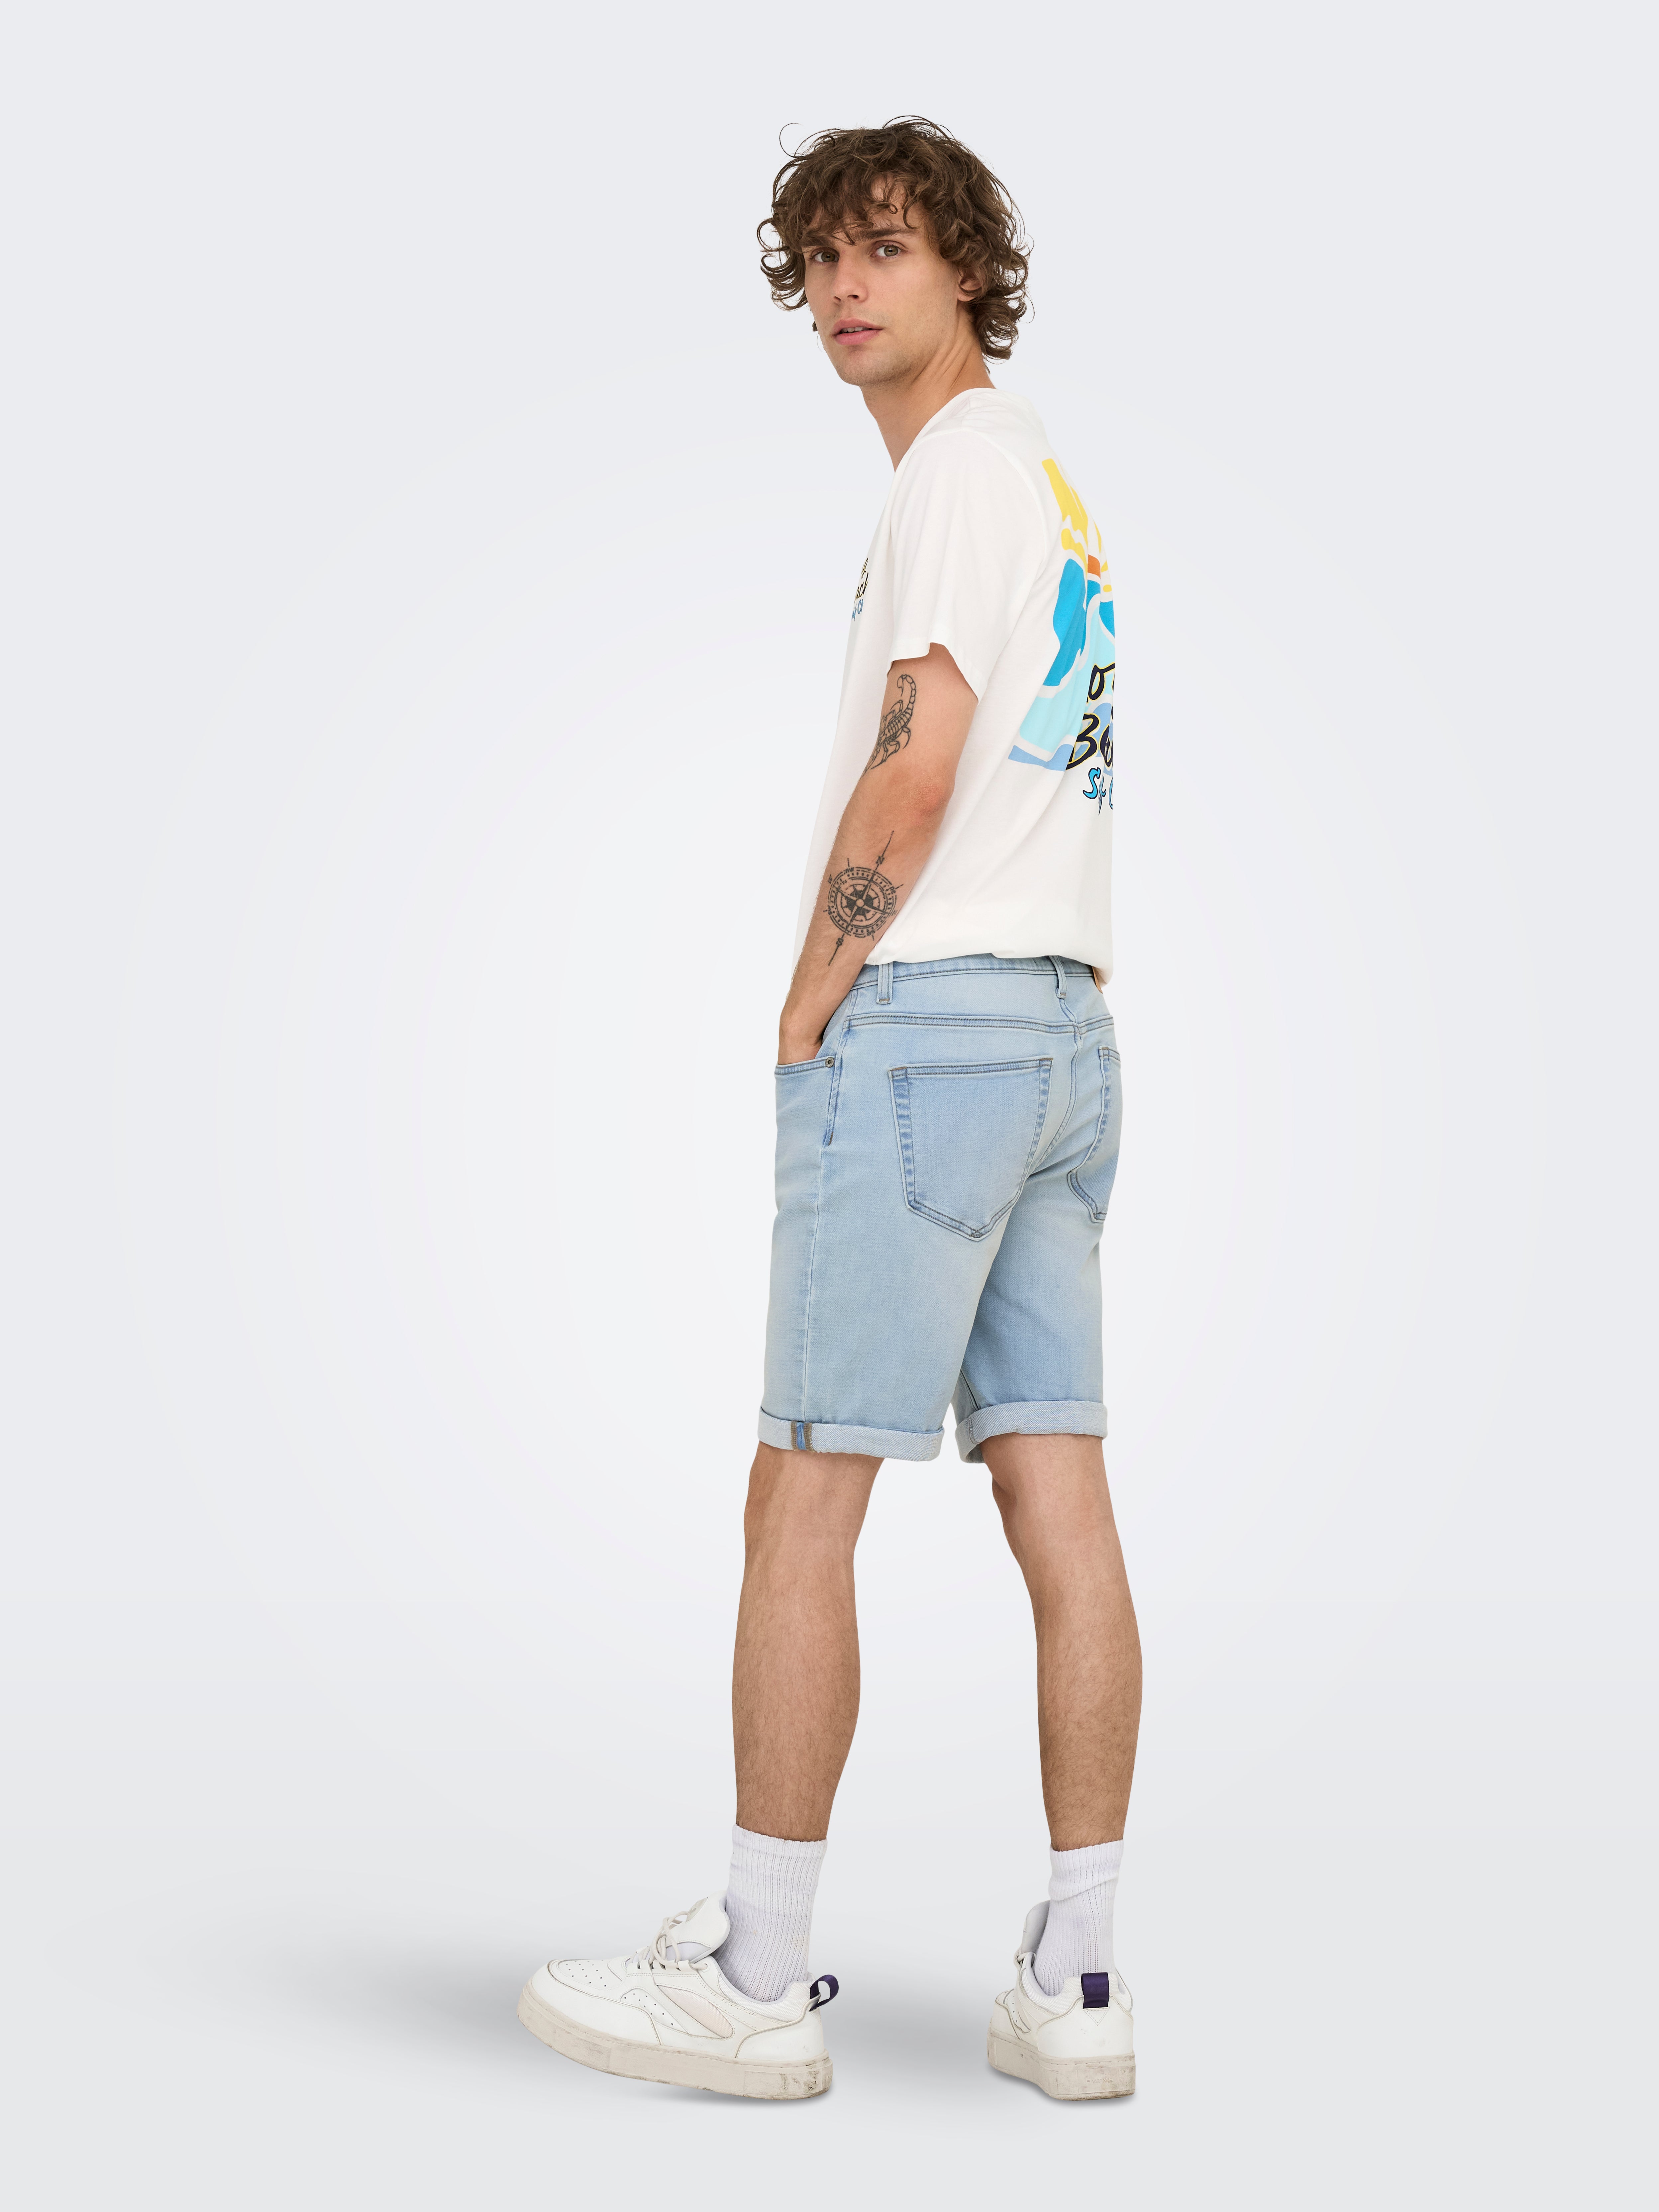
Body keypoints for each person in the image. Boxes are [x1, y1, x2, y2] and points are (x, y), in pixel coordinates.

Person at [518, 117, 1140, 2104]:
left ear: (970, 269)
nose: (844, 288)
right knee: (1060, 1501)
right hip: (1061, 1036)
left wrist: (807, 1006)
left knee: (802, 1495)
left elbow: (918, 756)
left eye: (886, 246)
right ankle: (1079, 1983)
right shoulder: (1042, 481)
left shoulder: (956, 473)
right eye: (817, 261)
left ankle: (758, 1979)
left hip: (930, 1030)